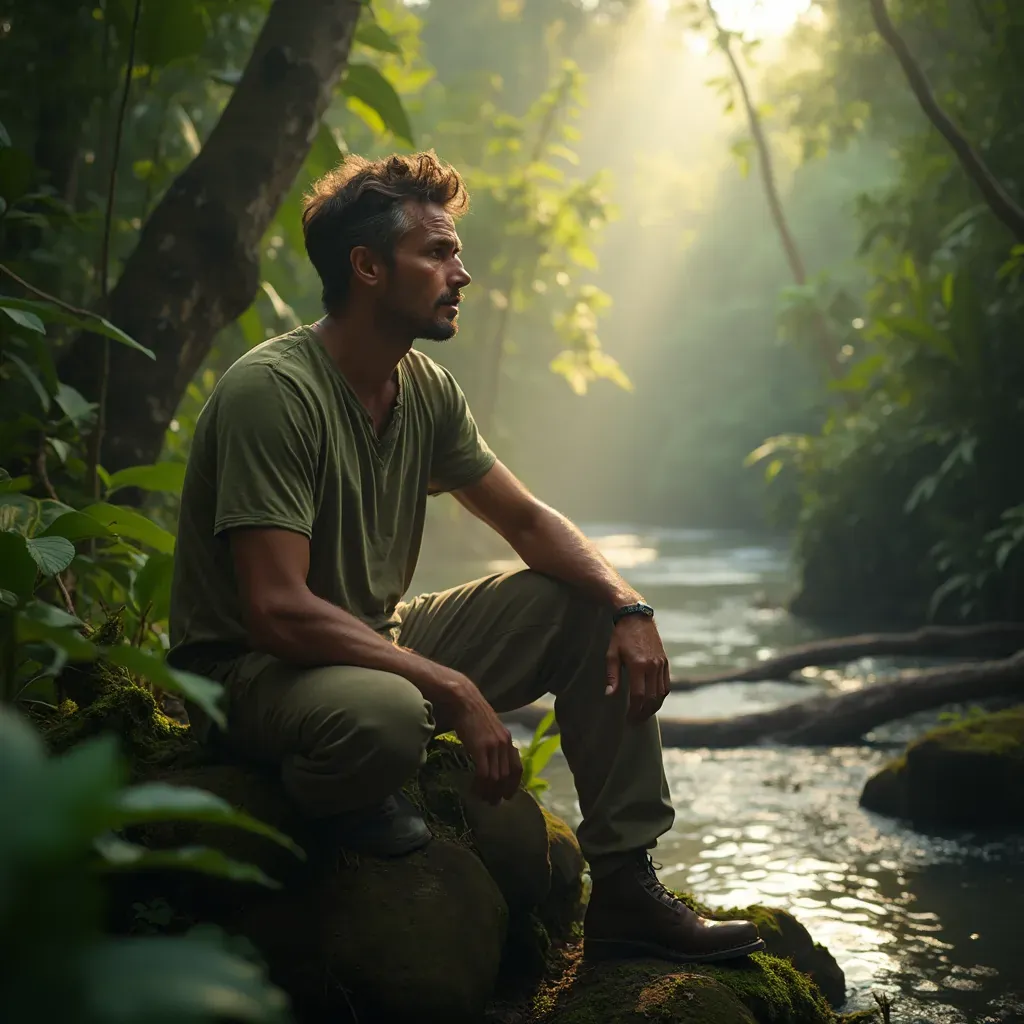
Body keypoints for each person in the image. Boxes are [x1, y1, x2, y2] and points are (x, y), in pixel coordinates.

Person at [167, 151, 763, 965]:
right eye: (438, 253)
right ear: (368, 267)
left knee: (583, 602)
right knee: (388, 715)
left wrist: (628, 604)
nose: (463, 273)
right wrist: (449, 687)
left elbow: (523, 518)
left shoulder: (426, 388)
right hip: (248, 671)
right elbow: (275, 608)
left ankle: (625, 889)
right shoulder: (272, 392)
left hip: (373, 639)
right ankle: (313, 801)